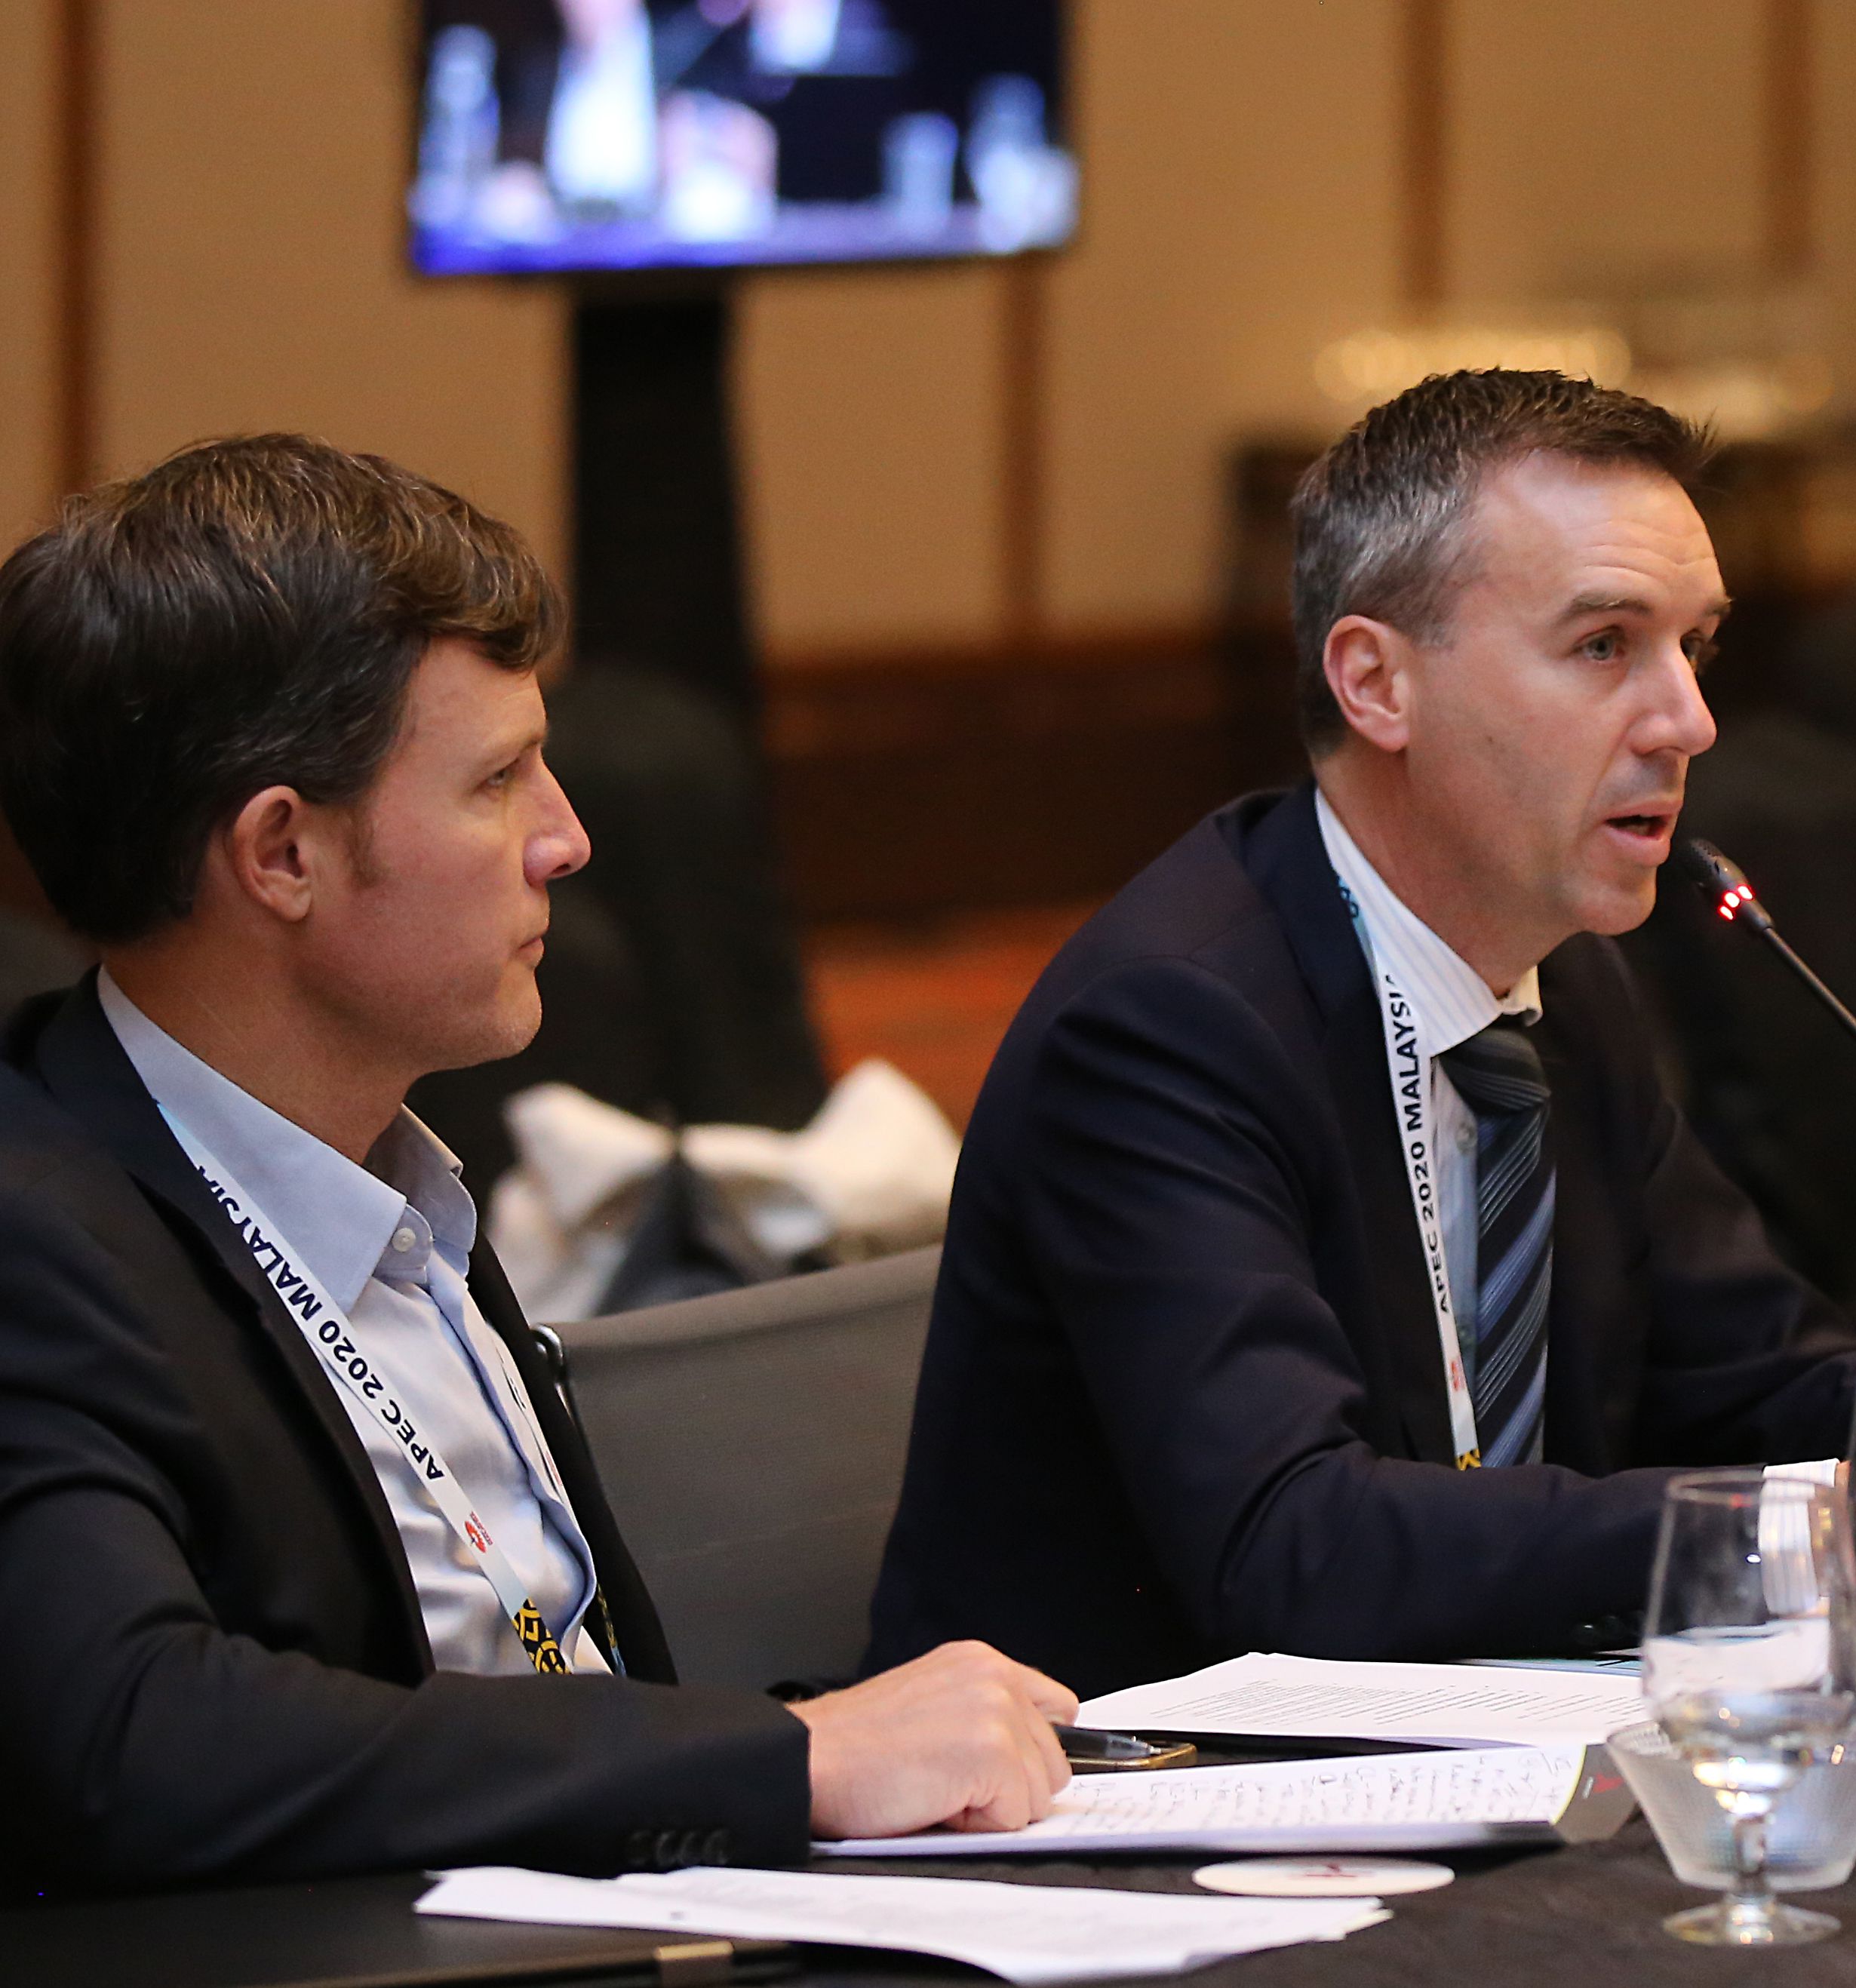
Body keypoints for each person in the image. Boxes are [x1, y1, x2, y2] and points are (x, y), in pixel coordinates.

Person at [870, 370, 1856, 1698]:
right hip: (1121, 1814)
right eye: (1601, 645)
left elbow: (1742, 1383)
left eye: (1694, 646)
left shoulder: (1561, 983)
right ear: (1375, 682)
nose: (1687, 720)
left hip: (1478, 1758)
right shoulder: (1169, 1027)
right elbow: (1294, 1545)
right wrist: (1850, 1519)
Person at [0, 435, 1076, 1891]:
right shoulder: (37, 1232)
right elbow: (131, 1738)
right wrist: (786, 1761)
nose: (566, 840)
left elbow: (551, 1665)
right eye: (499, 779)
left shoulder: (392, 1184)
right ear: (283, 856)